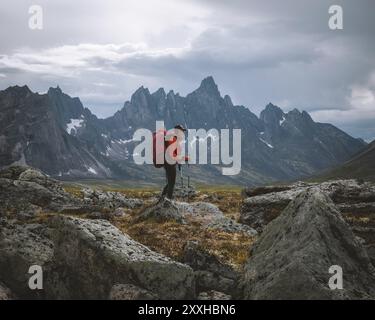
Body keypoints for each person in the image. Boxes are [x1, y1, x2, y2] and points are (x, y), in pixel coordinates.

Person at [159, 124, 189, 200]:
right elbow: (172, 154)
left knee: (170, 182)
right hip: (170, 163)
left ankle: (163, 199)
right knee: (171, 183)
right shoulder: (172, 139)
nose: (183, 133)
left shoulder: (173, 139)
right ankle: (168, 201)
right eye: (182, 131)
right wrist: (185, 158)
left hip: (169, 163)